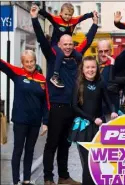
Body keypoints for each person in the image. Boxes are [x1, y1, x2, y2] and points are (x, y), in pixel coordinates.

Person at [31, 6, 98, 185]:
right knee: (52, 144)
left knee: (66, 144)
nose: (68, 47)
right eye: (65, 44)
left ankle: (64, 176)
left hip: (72, 108)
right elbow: (40, 39)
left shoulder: (76, 57)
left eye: (70, 44)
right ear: (59, 46)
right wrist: (35, 19)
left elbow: (88, 41)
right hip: (56, 107)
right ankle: (47, 178)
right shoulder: (53, 57)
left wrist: (95, 25)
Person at [0, 50, 50, 185]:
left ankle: (26, 179)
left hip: (34, 122)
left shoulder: (41, 78)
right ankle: (16, 181)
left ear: (35, 61)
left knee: (30, 150)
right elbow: (2, 64)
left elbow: (46, 102)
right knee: (18, 150)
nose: (29, 64)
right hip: (20, 121)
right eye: (26, 62)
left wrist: (45, 122)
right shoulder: (17, 73)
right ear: (22, 63)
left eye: (31, 61)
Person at [72, 56, 118, 185]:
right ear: (82, 69)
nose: (90, 70)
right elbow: (74, 107)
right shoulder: (78, 84)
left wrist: (113, 111)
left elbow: (108, 101)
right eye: (87, 67)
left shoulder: (100, 83)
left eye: (93, 67)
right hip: (84, 127)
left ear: (97, 68)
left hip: (99, 127)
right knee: (87, 163)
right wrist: (92, 119)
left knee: (98, 161)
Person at [35, 2, 94, 88]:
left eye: (69, 15)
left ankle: (80, 72)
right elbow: (47, 15)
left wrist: (91, 14)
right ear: (61, 13)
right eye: (65, 14)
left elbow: (82, 17)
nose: (67, 16)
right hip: (55, 45)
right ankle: (55, 76)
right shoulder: (56, 19)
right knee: (61, 54)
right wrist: (39, 10)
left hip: (68, 46)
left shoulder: (73, 21)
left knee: (78, 55)